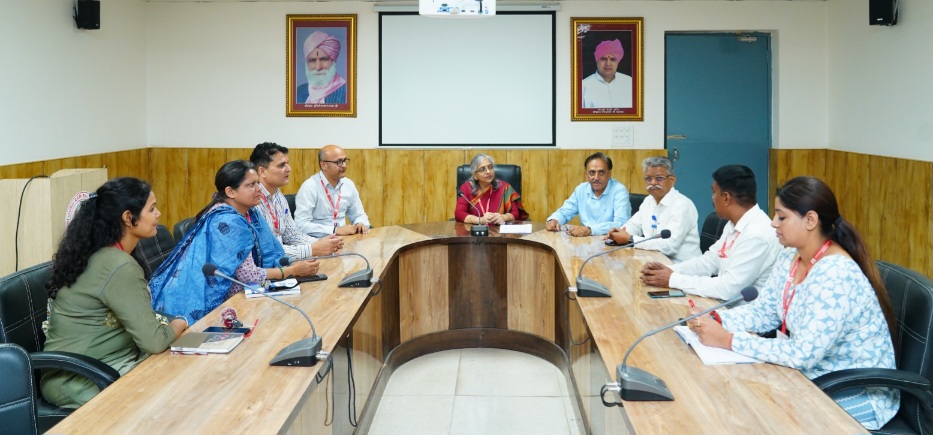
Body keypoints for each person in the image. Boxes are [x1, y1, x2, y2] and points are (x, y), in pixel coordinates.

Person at [689, 176, 899, 430]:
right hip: (810, 377)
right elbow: (765, 312)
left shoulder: (835, 273)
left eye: (781, 217)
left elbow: (802, 354)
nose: (772, 223)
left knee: (758, 419)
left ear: (810, 220)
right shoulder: (792, 255)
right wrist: (716, 319)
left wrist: (727, 339)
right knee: (735, 401)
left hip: (853, 391)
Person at [41, 177, 188, 408]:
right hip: (77, 376)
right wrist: (180, 323)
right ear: (129, 218)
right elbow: (154, 342)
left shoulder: (104, 253)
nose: (158, 214)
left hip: (108, 361)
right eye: (151, 209)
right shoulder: (118, 265)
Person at [150, 160, 319, 322]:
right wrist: (292, 271)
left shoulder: (248, 212)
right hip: (207, 299)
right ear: (230, 192)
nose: (259, 189)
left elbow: (268, 253)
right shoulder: (228, 221)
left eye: (258, 183)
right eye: (251, 185)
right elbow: (247, 275)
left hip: (241, 292)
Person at [640, 165, 781, 299]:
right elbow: (710, 262)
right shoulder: (734, 224)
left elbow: (727, 289)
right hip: (719, 304)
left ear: (726, 198)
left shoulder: (756, 234)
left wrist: (673, 279)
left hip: (738, 312)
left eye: (714, 192)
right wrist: (670, 270)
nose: (712, 198)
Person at [249, 142, 344, 258]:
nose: (289, 169)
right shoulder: (252, 201)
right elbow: (266, 250)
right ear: (262, 171)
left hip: (283, 259)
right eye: (281, 165)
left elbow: (292, 235)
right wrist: (312, 249)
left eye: (287, 164)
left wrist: (322, 244)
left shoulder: (278, 196)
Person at [606, 156, 700, 263]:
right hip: (654, 261)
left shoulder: (682, 205)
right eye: (648, 178)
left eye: (659, 178)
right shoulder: (648, 201)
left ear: (672, 180)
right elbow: (634, 225)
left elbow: (669, 246)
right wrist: (619, 233)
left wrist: (630, 239)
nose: (653, 183)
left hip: (680, 268)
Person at [545, 152, 631, 237]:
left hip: (610, 241)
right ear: (586, 175)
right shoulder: (581, 189)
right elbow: (565, 211)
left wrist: (590, 230)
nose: (596, 178)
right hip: (585, 241)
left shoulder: (619, 191)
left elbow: (621, 224)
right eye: (592, 173)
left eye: (601, 172)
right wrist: (554, 220)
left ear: (609, 174)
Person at [295, 145, 371, 238]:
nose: (344, 165)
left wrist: (359, 223)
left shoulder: (348, 185)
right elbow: (301, 225)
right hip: (318, 242)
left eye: (344, 161)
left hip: (344, 240)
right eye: (339, 162)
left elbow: (359, 215)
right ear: (324, 165)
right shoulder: (309, 187)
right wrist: (335, 230)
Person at [455, 153, 529, 225]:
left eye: (490, 167)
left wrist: (503, 217)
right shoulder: (466, 188)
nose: (488, 171)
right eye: (483, 169)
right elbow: (459, 213)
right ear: (475, 175)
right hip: (475, 233)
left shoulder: (504, 188)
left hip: (499, 233)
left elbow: (516, 213)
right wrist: (480, 220)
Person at [296, 31, 347, 105]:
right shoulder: (299, 92)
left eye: (324, 59)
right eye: (312, 60)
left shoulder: (347, 92)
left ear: (334, 61)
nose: (318, 67)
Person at [582, 39, 633, 109]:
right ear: (597, 61)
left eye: (613, 59)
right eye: (603, 59)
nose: (608, 64)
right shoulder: (583, 86)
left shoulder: (630, 83)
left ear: (618, 62)